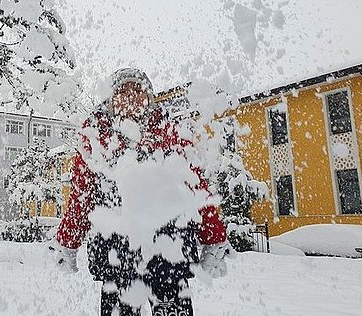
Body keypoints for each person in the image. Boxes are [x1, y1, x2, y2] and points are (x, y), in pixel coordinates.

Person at [50, 68, 233, 316]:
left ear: (149, 97)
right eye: (122, 91)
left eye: (137, 90)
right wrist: (68, 242)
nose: (130, 96)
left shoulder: (170, 131)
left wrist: (213, 237)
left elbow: (195, 187)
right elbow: (82, 196)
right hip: (116, 255)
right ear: (110, 99)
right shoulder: (96, 134)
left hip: (170, 253)